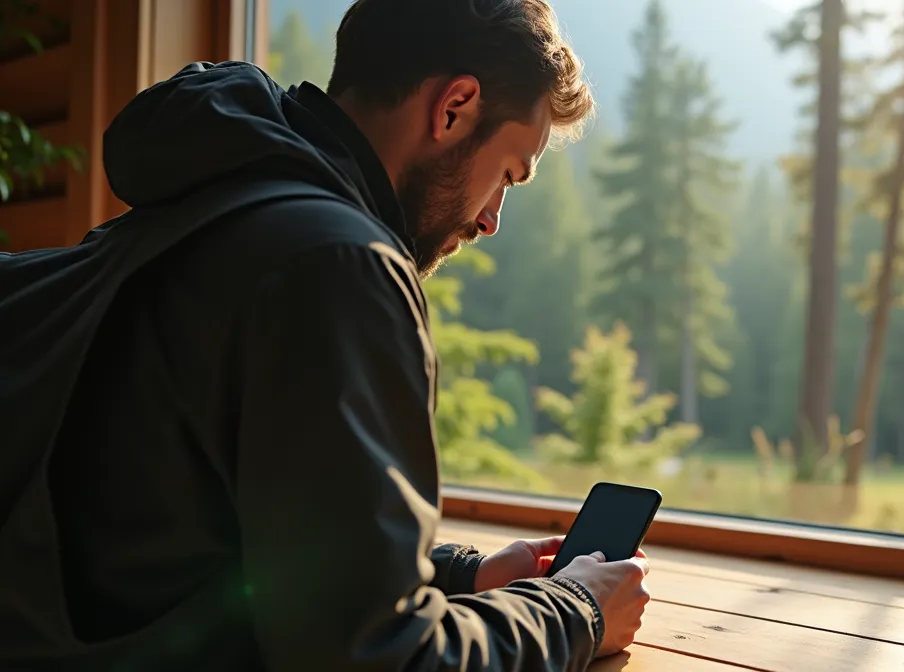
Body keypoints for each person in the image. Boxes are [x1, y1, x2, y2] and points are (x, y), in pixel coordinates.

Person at [0, 0, 650, 670]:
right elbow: (379, 660)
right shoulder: (340, 265)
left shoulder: (198, 214)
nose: (492, 220)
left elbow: (197, 547)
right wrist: (575, 609)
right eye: (508, 173)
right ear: (454, 107)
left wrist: (455, 577)